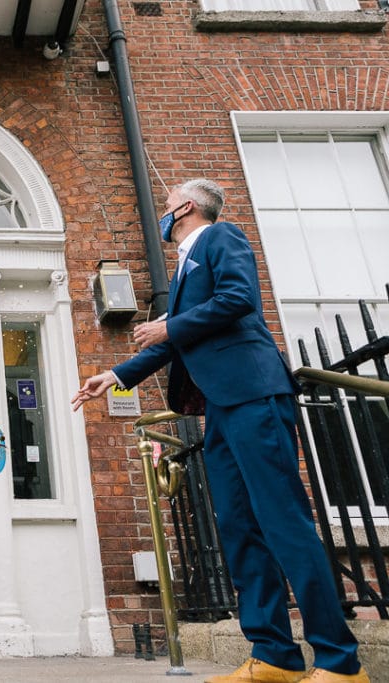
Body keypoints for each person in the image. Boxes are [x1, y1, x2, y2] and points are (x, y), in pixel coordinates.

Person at [71, 178, 367, 683]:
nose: (163, 214)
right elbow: (176, 340)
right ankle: (274, 656)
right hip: (220, 409)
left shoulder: (221, 238)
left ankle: (340, 661)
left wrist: (169, 325)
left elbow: (239, 299)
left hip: (254, 396)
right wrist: (117, 374)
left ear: (184, 207)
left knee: (284, 522)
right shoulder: (185, 267)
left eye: (165, 207)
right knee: (238, 527)